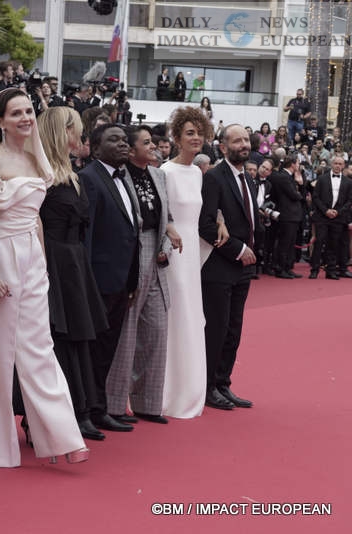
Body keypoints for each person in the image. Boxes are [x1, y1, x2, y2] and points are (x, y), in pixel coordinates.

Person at [0, 88, 87, 467]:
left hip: (33, 258)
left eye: (29, 112)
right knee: (0, 349)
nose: (25, 118)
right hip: (1, 254)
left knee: (40, 344)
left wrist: (42, 262)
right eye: (15, 113)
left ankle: (61, 435)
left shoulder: (39, 159)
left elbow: (35, 217)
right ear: (0, 121)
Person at [38, 106, 108, 441]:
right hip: (51, 261)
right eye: (74, 130)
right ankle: (56, 413)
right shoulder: (40, 174)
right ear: (59, 133)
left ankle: (81, 408)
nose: (79, 136)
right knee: (58, 338)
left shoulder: (74, 173)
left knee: (79, 335)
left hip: (75, 263)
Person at [107, 124, 181, 424]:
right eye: (148, 142)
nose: (155, 147)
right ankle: (113, 404)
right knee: (126, 332)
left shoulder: (159, 175)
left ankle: (148, 403)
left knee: (157, 329)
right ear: (132, 148)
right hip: (131, 254)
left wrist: (166, 244)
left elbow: (168, 218)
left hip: (158, 255)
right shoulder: (119, 176)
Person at [79, 123, 140, 433]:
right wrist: (87, 284)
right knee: (92, 350)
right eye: (114, 140)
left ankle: (100, 408)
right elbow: (86, 236)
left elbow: (130, 231)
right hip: (98, 282)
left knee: (107, 350)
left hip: (121, 280)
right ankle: (85, 412)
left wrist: (131, 280)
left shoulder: (123, 178)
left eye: (125, 140)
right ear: (94, 146)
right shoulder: (89, 179)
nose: (123, 144)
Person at [199, 124, 259, 411]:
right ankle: (208, 386)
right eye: (237, 141)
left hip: (243, 269)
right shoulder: (213, 178)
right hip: (219, 267)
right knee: (217, 329)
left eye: (246, 140)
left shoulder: (250, 178)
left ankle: (223, 383)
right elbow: (206, 226)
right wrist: (238, 249)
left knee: (234, 329)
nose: (244, 145)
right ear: (223, 147)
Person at [160, 107, 215, 418]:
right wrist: (169, 233)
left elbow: (200, 213)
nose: (196, 138)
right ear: (177, 137)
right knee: (176, 316)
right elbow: (162, 215)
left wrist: (219, 219)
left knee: (194, 315)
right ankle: (167, 392)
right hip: (174, 252)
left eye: (199, 133)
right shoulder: (166, 172)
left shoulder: (197, 173)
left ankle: (192, 388)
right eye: (189, 133)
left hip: (193, 250)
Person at [310, 156, 352, 279]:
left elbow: (349, 201)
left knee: (333, 244)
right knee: (319, 243)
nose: (338, 166)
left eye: (340, 163)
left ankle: (331, 270)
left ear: (343, 165)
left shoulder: (348, 182)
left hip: (338, 218)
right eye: (336, 163)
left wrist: (338, 212)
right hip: (322, 217)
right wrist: (326, 211)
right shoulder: (322, 179)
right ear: (332, 164)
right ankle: (314, 269)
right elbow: (316, 197)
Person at [269, 154, 304, 279]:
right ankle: (280, 268)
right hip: (287, 214)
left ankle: (288, 267)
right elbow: (295, 195)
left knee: (290, 243)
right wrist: (300, 184)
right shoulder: (284, 177)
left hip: (292, 214)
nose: (299, 166)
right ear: (293, 164)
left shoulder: (287, 177)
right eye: (298, 163)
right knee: (285, 243)